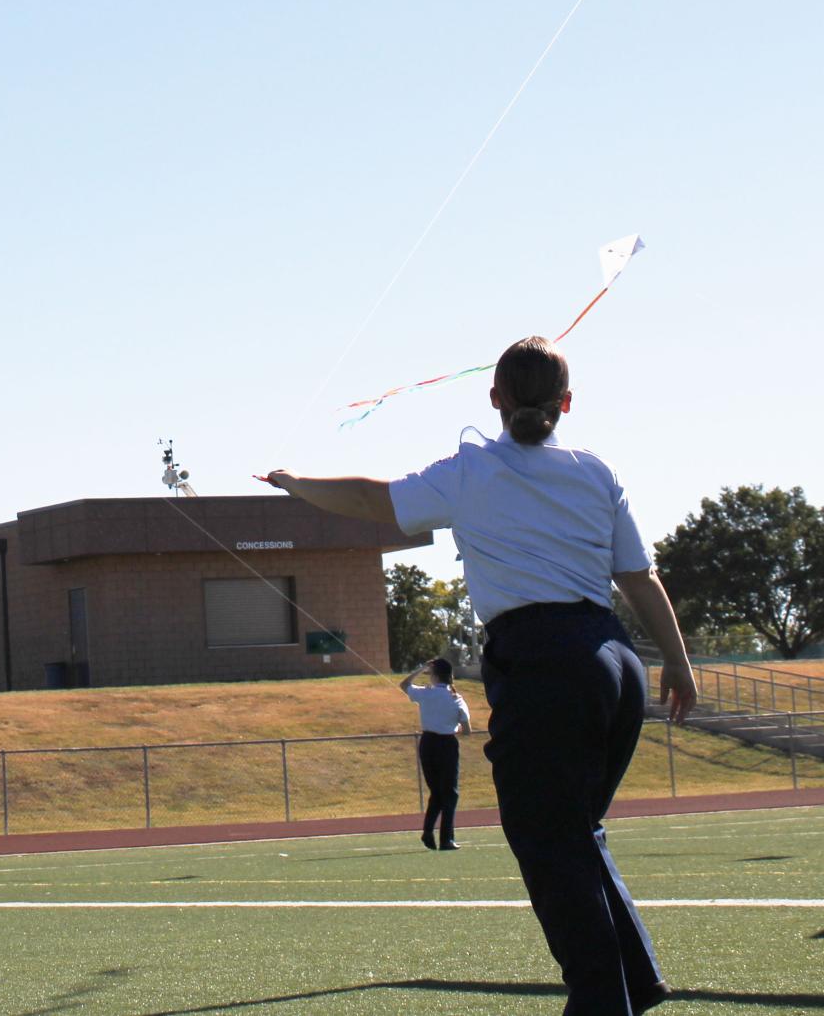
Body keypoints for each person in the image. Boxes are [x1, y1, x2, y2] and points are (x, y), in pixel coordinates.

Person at [265, 334, 697, 1016]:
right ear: (566, 402)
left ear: (493, 399)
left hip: (545, 662)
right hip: (615, 661)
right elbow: (637, 575)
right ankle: (632, 982)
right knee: (574, 830)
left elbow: (376, 499)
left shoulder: (470, 471)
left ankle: (600, 1001)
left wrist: (296, 481)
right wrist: (677, 660)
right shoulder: (595, 469)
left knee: (548, 841)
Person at [402, 656, 473, 851]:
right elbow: (467, 730)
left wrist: (421, 668)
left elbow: (405, 684)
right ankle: (446, 838)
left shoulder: (426, 694)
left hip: (427, 743)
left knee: (437, 792)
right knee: (449, 793)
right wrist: (455, 728)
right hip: (447, 744)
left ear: (434, 675)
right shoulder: (455, 698)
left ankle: (428, 832)